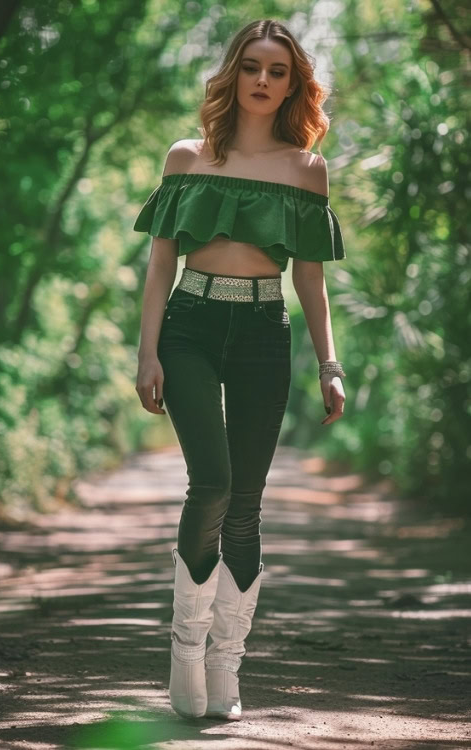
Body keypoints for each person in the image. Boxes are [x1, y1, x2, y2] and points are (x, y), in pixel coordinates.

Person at [134, 18, 347, 722]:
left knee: (248, 506)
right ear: (233, 72)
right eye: (252, 66)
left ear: (292, 83)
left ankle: (227, 662)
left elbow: (310, 281)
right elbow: (161, 263)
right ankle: (186, 650)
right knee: (214, 483)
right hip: (191, 325)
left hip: (263, 330)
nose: (263, 79)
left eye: (277, 70)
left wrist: (329, 364)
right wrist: (147, 352)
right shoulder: (187, 156)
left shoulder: (305, 168)